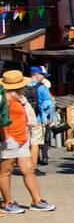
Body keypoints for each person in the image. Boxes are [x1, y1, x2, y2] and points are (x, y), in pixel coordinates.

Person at [2, 70, 55, 214]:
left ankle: (36, 200)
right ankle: (7, 202)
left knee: (29, 170)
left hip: (21, 138)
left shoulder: (20, 98)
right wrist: (5, 137)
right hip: (9, 139)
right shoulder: (6, 99)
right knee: (6, 171)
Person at [26, 66, 55, 167]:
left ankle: (24, 165)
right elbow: (48, 104)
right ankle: (32, 168)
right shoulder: (42, 87)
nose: (43, 77)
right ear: (37, 74)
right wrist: (51, 119)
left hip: (24, 119)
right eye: (42, 75)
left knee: (26, 143)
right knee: (35, 142)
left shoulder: (23, 85)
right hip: (37, 118)